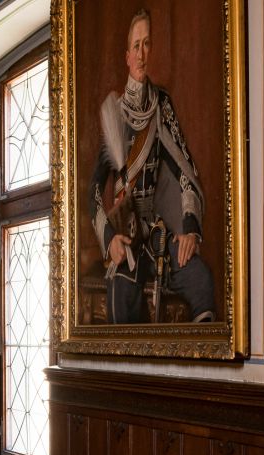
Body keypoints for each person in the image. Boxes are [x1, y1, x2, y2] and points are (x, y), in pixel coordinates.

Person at [88, 7, 215, 324]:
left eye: (147, 44)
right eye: (136, 46)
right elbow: (92, 191)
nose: (142, 53)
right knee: (121, 292)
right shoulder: (114, 115)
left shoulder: (162, 106)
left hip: (160, 233)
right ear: (127, 56)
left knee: (201, 279)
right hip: (128, 237)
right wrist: (109, 239)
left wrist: (189, 229)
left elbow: (185, 172)